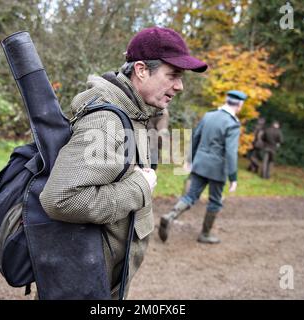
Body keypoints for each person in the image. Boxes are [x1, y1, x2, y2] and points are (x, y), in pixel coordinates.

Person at [39, 26, 207, 299]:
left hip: (103, 277)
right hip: (84, 282)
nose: (180, 85)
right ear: (141, 70)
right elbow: (61, 199)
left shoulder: (134, 112)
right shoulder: (107, 121)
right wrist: (140, 187)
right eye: (173, 75)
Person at [158, 90, 247, 244]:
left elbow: (195, 138)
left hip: (200, 164)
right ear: (239, 105)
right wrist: (233, 177)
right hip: (218, 169)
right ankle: (205, 234)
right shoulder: (233, 124)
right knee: (215, 201)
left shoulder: (209, 116)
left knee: (190, 196)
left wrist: (189, 160)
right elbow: (231, 152)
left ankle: (170, 216)